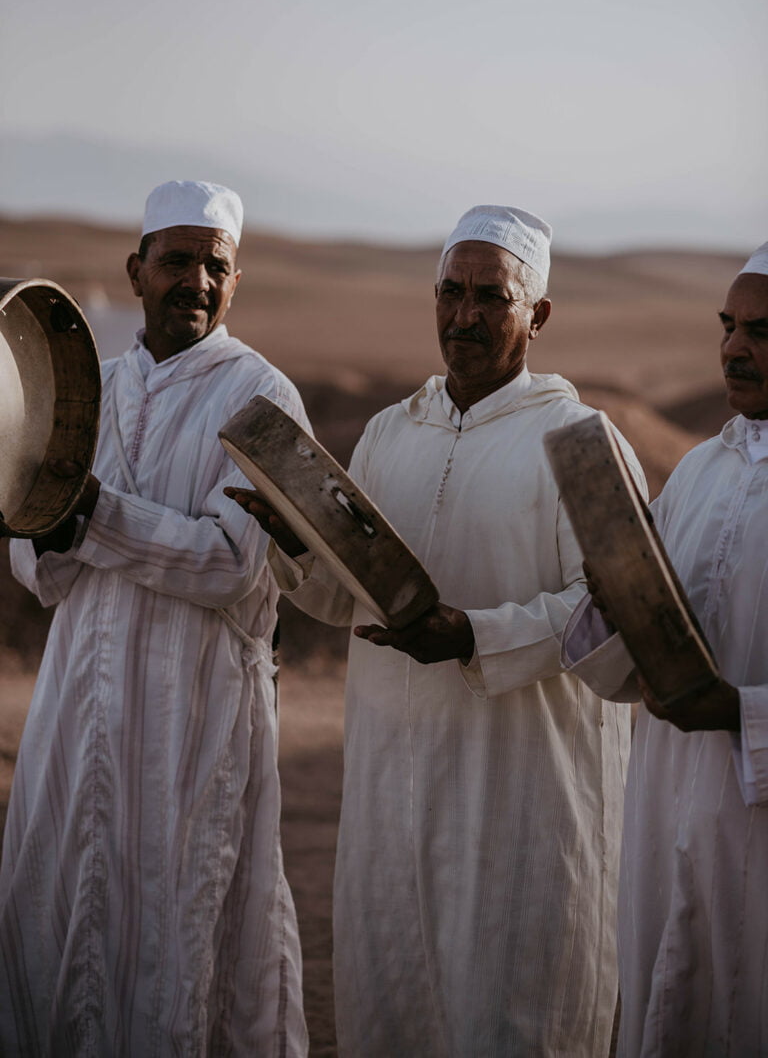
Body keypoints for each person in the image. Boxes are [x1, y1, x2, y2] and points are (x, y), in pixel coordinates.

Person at [227, 205, 647, 1057]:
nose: (464, 316)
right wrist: (296, 551)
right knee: (394, 1006)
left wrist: (474, 636)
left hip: (525, 809)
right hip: (391, 795)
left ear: (540, 315)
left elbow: (619, 616)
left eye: (491, 296)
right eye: (450, 292)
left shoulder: (580, 442)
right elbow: (354, 600)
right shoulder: (390, 432)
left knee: (516, 1014)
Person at [0, 181, 309, 1055]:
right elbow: (38, 567)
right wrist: (49, 528)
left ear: (237, 279)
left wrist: (89, 514)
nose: (197, 282)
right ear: (136, 271)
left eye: (217, 266)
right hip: (79, 705)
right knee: (58, 904)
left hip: (194, 713)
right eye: (177, 261)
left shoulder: (265, 399)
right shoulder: (82, 388)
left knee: (184, 929)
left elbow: (231, 561)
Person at [562, 241, 768, 1056]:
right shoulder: (698, 473)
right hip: (665, 812)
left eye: (761, 329)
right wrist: (615, 601)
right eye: (727, 326)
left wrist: (741, 712)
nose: (734, 347)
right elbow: (629, 664)